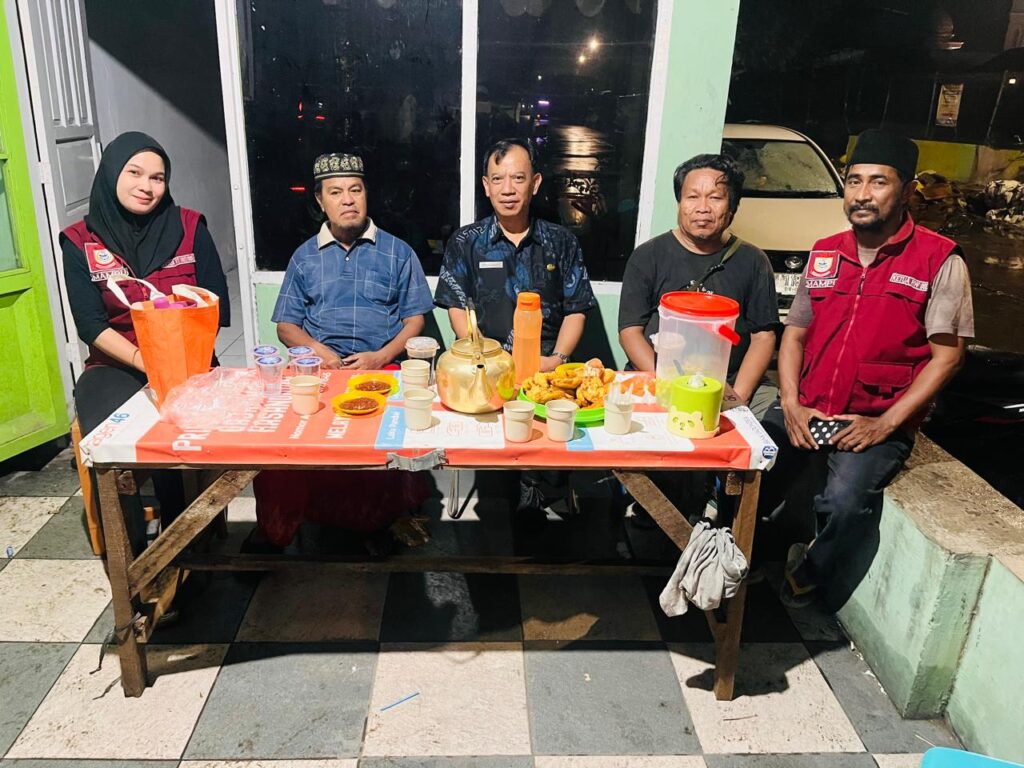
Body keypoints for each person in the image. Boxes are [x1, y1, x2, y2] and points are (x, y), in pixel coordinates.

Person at [759, 129, 973, 607]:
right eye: (854, 181)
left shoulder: (939, 260)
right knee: (752, 466)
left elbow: (948, 358)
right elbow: (794, 335)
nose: (861, 194)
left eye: (878, 182)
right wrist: (790, 403)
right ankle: (746, 552)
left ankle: (811, 570)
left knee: (845, 501)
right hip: (809, 406)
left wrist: (886, 424)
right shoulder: (825, 251)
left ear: (907, 190)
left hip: (872, 417)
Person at [251, 152, 435, 552]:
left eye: (355, 190)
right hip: (319, 370)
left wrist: (379, 356)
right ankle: (278, 530)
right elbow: (286, 326)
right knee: (285, 442)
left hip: (381, 368)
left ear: (367, 195)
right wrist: (318, 351)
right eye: (336, 192)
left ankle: (377, 523)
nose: (348, 199)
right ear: (321, 201)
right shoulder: (304, 256)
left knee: (381, 441)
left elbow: (415, 321)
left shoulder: (398, 252)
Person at [62, 131, 230, 554]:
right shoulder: (80, 241)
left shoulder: (189, 227)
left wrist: (178, 356)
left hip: (187, 361)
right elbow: (91, 325)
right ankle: (135, 559)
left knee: (182, 437)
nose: (147, 186)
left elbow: (217, 306)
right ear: (111, 174)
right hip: (116, 363)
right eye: (135, 173)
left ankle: (186, 550)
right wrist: (145, 360)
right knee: (109, 448)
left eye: (158, 178)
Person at [434, 138, 598, 516]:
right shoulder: (466, 242)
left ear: (535, 183)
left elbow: (577, 310)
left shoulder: (561, 241)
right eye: (498, 179)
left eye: (518, 178)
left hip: (547, 370)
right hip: (487, 371)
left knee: (550, 468)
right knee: (497, 496)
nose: (508, 189)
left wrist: (557, 360)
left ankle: (541, 500)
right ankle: (503, 507)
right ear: (486, 185)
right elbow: (456, 306)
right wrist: (483, 359)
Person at [618, 153, 779, 417]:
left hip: (729, 381)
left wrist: (737, 398)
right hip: (658, 377)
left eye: (715, 198)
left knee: (775, 422)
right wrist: (668, 385)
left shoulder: (753, 260)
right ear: (679, 203)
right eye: (692, 197)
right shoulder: (648, 256)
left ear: (732, 206)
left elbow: (764, 337)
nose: (702, 208)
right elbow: (629, 331)